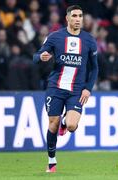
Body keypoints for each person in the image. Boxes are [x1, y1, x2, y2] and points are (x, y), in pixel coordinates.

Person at [33, 5, 98, 173]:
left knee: (71, 125)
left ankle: (64, 121)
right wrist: (41, 56)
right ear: (67, 18)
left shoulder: (89, 40)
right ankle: (51, 162)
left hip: (77, 90)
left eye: (80, 15)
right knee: (52, 125)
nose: (78, 19)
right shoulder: (55, 37)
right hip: (56, 87)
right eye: (74, 15)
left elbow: (95, 68)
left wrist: (88, 89)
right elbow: (35, 57)